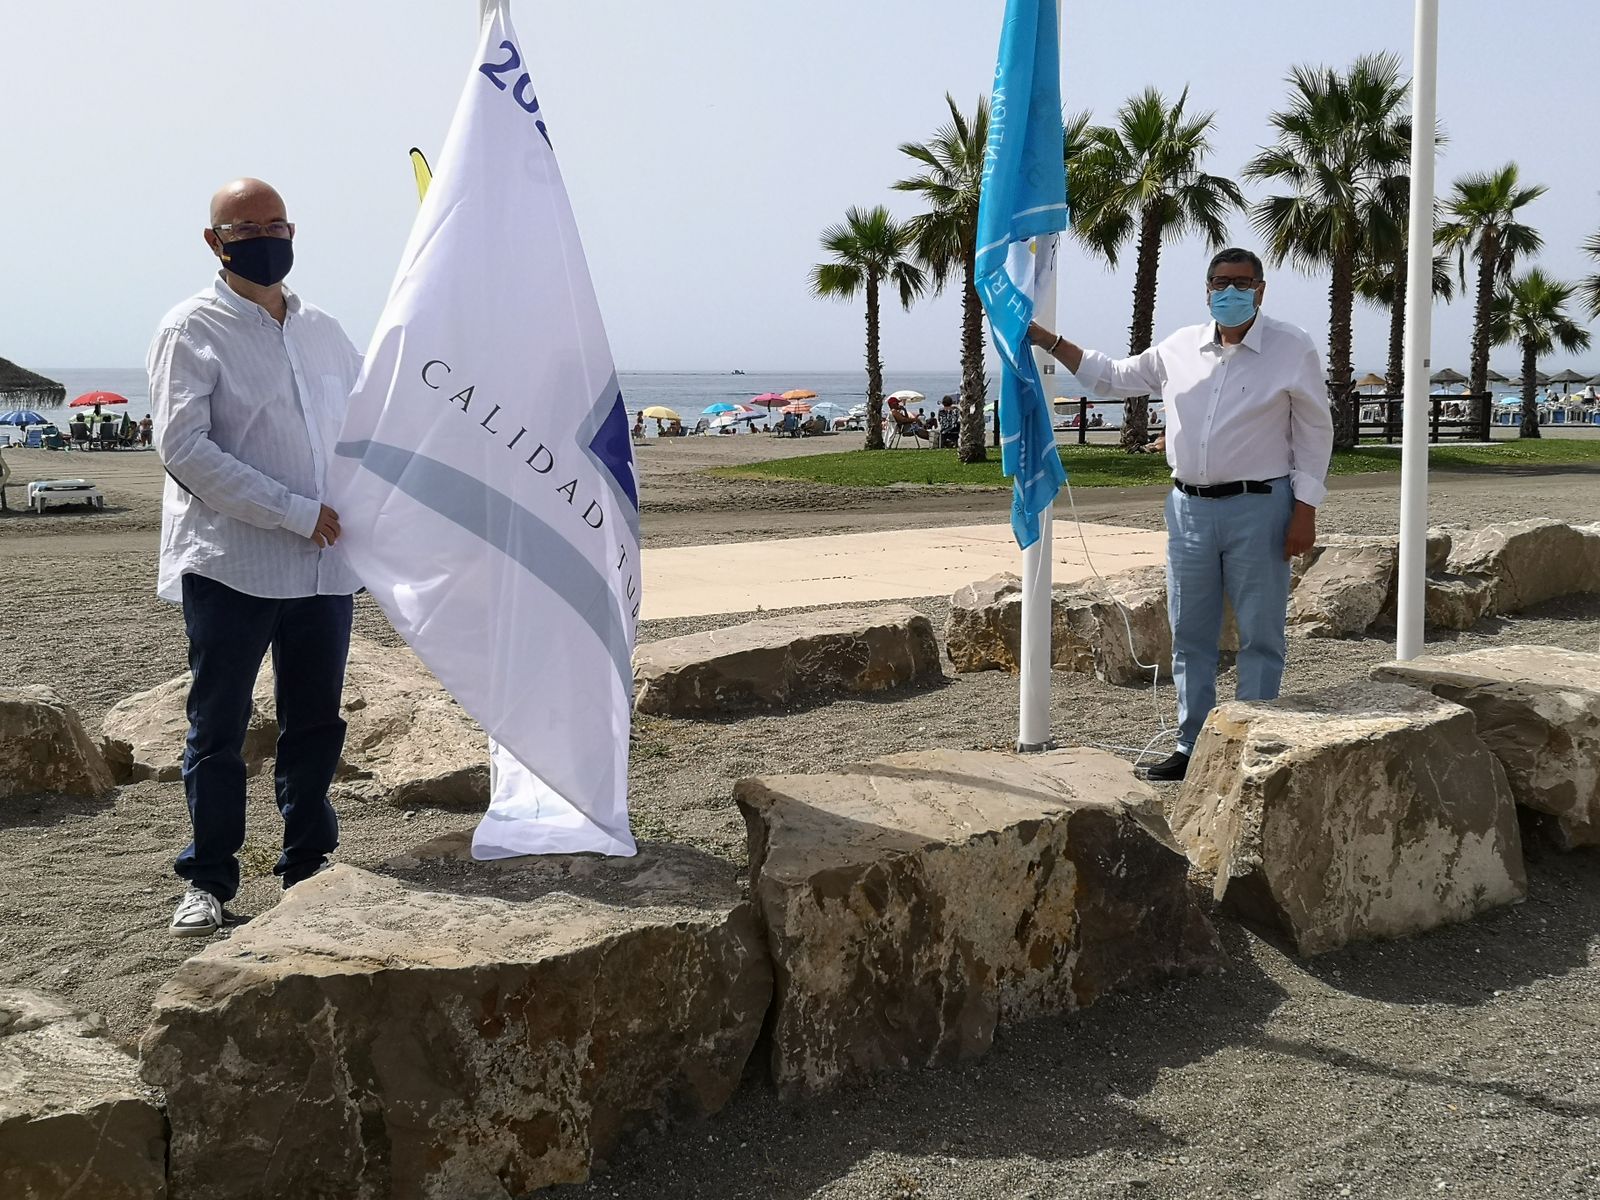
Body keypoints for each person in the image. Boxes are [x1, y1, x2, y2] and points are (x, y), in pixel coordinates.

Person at [1030, 247, 1332, 782]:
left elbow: (1314, 430)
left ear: (1261, 289)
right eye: (1220, 281)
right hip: (1188, 510)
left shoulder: (1292, 346)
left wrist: (1305, 509)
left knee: (1260, 634)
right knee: (1190, 633)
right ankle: (1192, 745)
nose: (1230, 291)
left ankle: (1250, 741)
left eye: (1242, 282)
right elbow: (1112, 378)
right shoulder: (1180, 347)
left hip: (1261, 507)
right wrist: (1049, 341)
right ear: (1207, 289)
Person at [150, 178, 362, 937]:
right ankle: (208, 879)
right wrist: (294, 512)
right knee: (219, 728)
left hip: (324, 570)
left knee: (316, 722)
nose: (266, 239)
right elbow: (184, 450)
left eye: (277, 225)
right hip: (233, 565)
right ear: (216, 242)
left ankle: (308, 866)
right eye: (246, 229)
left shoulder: (326, 331)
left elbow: (372, 423)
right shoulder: (191, 329)